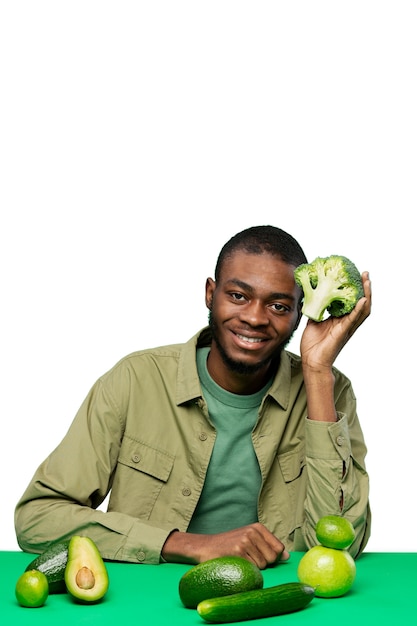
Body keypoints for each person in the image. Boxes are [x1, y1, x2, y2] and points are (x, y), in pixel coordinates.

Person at [15, 225, 371, 569]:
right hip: (148, 601)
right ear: (209, 293)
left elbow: (341, 544)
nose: (254, 317)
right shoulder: (135, 380)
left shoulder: (329, 388)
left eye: (278, 306)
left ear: (300, 314)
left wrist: (317, 370)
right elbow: (37, 517)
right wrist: (186, 544)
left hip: (279, 603)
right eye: (238, 296)